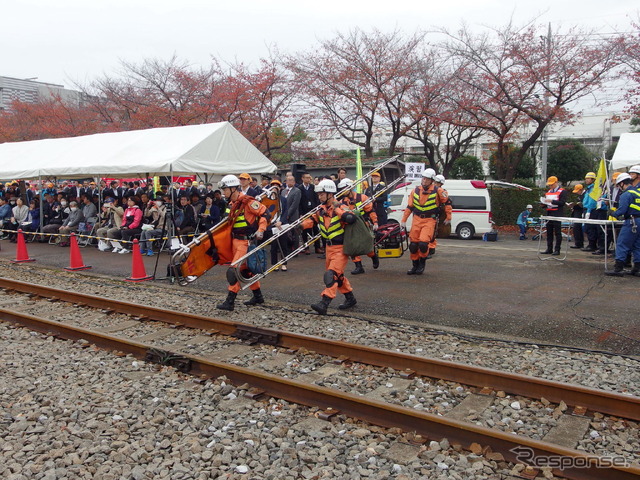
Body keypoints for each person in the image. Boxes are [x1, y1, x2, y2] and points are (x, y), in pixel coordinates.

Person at [302, 179, 358, 315]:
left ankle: (324, 302)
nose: (319, 196)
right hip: (328, 248)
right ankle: (350, 298)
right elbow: (312, 221)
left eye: (322, 194)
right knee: (337, 276)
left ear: (330, 194)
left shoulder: (340, 207)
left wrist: (337, 208)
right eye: (319, 194)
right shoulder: (321, 210)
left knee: (331, 275)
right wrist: (299, 226)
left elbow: (351, 218)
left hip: (341, 248)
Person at [216, 175, 270, 311]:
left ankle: (230, 301)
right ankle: (258, 296)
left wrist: (261, 230)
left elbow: (265, 214)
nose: (223, 192)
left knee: (235, 271)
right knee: (247, 270)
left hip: (245, 242)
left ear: (233, 188)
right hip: (235, 241)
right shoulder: (232, 204)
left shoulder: (248, 202)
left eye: (225, 189)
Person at [401, 168, 451, 275]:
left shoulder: (439, 191)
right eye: (423, 178)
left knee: (423, 244)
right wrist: (403, 220)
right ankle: (415, 265)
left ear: (432, 180)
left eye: (427, 179)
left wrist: (448, 217)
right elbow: (410, 206)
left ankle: (422, 264)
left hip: (429, 220)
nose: (424, 181)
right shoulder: (415, 190)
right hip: (416, 220)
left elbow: (447, 203)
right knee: (413, 245)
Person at [338, 178, 379, 274]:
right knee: (352, 246)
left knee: (366, 245)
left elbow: (371, 211)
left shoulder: (363, 198)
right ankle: (358, 266)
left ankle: (373, 256)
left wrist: (375, 223)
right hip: (349, 226)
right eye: (342, 189)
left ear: (350, 187)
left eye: (344, 188)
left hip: (362, 224)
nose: (343, 191)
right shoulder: (342, 202)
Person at [608, 173, 640, 276]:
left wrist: (613, 213)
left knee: (622, 243)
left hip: (631, 222)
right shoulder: (637, 192)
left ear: (622, 183)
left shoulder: (626, 194)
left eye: (618, 185)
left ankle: (618, 268)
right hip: (638, 221)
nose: (618, 187)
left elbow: (622, 210)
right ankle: (637, 269)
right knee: (637, 245)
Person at [540, 176, 568, 255]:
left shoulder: (562, 191)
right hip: (549, 213)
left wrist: (552, 201)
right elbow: (547, 203)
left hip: (557, 213)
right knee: (549, 232)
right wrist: (543, 204)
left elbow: (562, 203)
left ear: (556, 183)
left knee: (557, 232)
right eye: (549, 185)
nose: (550, 186)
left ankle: (557, 249)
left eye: (551, 184)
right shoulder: (548, 192)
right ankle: (549, 249)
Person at [568, 184, 585, 249]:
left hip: (580, 213)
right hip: (576, 212)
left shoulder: (584, 195)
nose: (577, 193)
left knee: (578, 227)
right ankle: (578, 243)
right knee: (576, 228)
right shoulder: (579, 196)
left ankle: (580, 243)